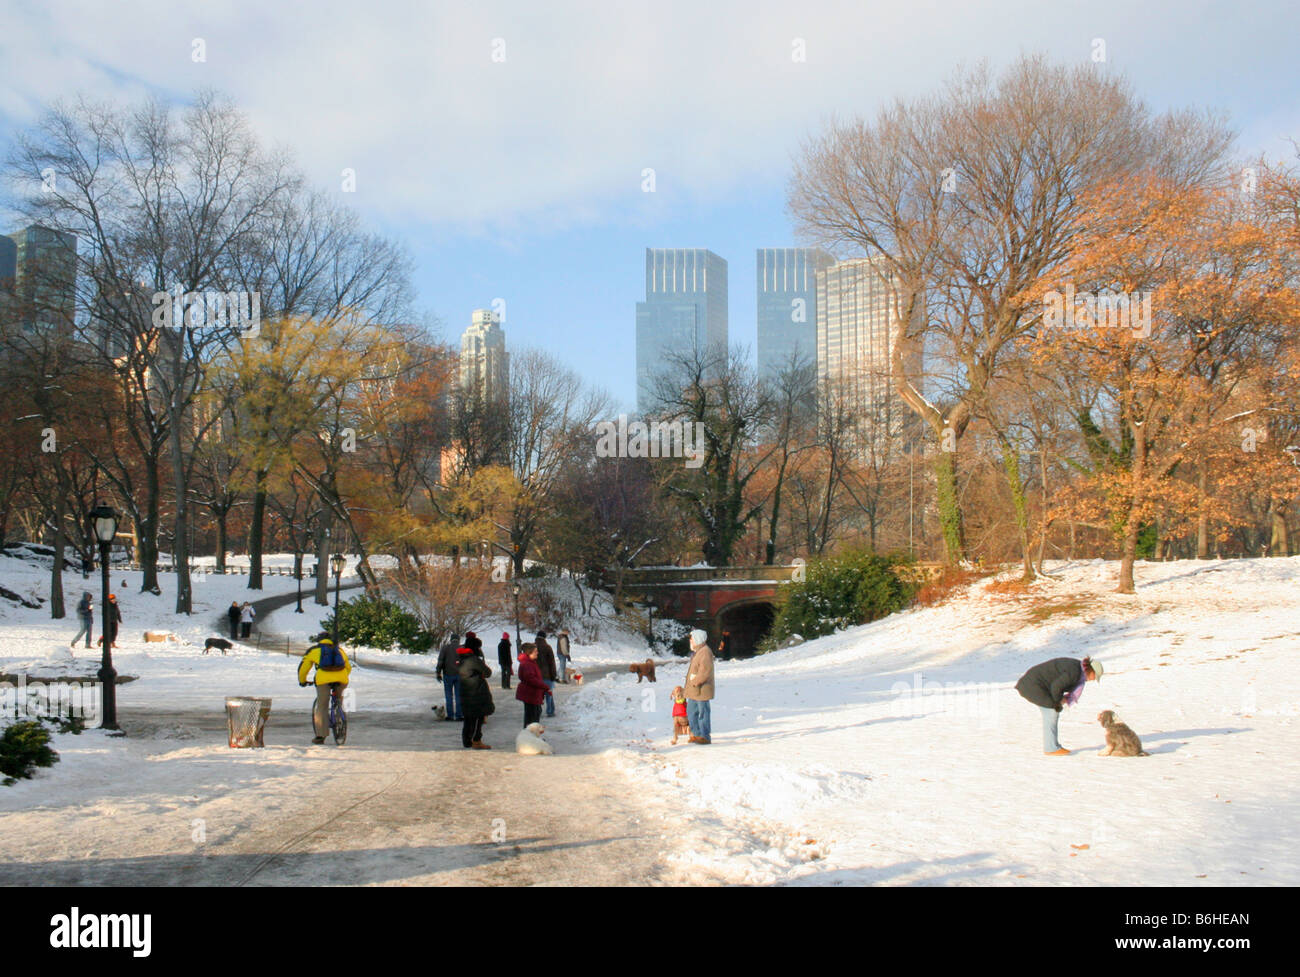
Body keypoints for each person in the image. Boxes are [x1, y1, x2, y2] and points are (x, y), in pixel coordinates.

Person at [1014, 655, 1103, 756]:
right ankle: (1051, 748)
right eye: (1095, 677)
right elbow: (1056, 687)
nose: (1093, 679)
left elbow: (1057, 685)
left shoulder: (1077, 669)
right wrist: (1059, 701)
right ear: (1091, 671)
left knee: (1052, 713)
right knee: (1052, 712)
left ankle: (1053, 746)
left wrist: (1060, 701)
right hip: (1032, 685)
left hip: (1036, 685)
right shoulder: (1074, 673)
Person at [297, 633, 352, 744]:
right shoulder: (339, 650)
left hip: (323, 680)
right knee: (339, 701)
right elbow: (348, 668)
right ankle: (339, 715)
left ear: (319, 641)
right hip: (342, 679)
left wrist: (302, 681)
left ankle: (320, 736)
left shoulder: (314, 651)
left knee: (322, 706)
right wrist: (341, 676)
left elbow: (303, 668)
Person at [456, 643, 495, 749]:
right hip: (477, 692)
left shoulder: (460, 661)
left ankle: (467, 741)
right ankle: (476, 740)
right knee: (479, 717)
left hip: (465, 692)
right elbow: (488, 672)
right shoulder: (473, 660)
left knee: (468, 719)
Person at [684, 628, 715, 744]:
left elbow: (705, 672)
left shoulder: (705, 652)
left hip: (702, 690)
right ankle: (696, 734)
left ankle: (705, 736)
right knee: (691, 712)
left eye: (691, 639)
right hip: (693, 691)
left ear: (697, 639)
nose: (690, 641)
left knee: (703, 713)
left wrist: (695, 681)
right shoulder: (698, 652)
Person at [515, 642, 548, 729]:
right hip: (530, 694)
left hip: (533, 694)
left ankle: (532, 737)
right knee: (532, 718)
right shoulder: (527, 664)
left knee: (534, 715)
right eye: (535, 651)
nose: (537, 653)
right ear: (529, 653)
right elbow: (531, 679)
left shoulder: (530, 662)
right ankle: (530, 738)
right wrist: (544, 686)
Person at [435, 633, 463, 721]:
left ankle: (450, 715)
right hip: (459, 675)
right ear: (458, 640)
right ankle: (459, 715)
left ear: (451, 639)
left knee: (448, 695)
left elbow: (440, 661)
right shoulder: (462, 648)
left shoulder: (445, 648)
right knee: (459, 695)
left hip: (448, 674)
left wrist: (438, 673)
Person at [535, 630, 557, 717]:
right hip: (547, 675)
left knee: (537, 695)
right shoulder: (547, 647)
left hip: (536, 676)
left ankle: (537, 710)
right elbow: (552, 663)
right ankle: (550, 711)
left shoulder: (533, 647)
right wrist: (553, 675)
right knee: (549, 694)